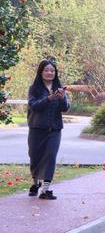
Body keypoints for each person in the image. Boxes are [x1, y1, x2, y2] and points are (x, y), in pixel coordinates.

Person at [27, 59, 70, 199]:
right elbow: (34, 106)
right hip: (37, 128)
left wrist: (62, 98)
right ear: (41, 72)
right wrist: (49, 98)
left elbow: (65, 108)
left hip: (55, 130)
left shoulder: (59, 88)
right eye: (46, 70)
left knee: (50, 156)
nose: (49, 73)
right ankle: (36, 182)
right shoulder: (34, 88)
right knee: (35, 157)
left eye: (52, 70)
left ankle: (45, 189)